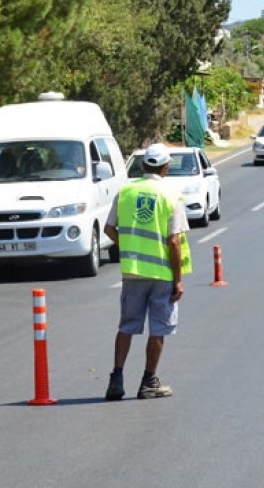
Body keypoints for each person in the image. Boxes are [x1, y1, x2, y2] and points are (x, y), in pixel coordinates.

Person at [103, 143, 192, 401]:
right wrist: (179, 280)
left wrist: (129, 246)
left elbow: (110, 229)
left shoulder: (126, 191)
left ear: (143, 166)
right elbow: (174, 241)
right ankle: (148, 381)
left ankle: (116, 381)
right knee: (158, 329)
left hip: (132, 272)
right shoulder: (170, 196)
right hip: (162, 274)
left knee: (127, 327)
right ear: (166, 168)